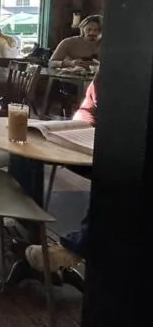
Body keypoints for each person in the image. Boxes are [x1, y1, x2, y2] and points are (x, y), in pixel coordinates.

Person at [24, 70, 98, 273]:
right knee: (25, 137)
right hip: (87, 137)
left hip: (120, 148)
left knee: (120, 172)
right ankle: (22, 220)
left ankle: (75, 248)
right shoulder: (108, 73)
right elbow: (88, 108)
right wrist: (77, 127)